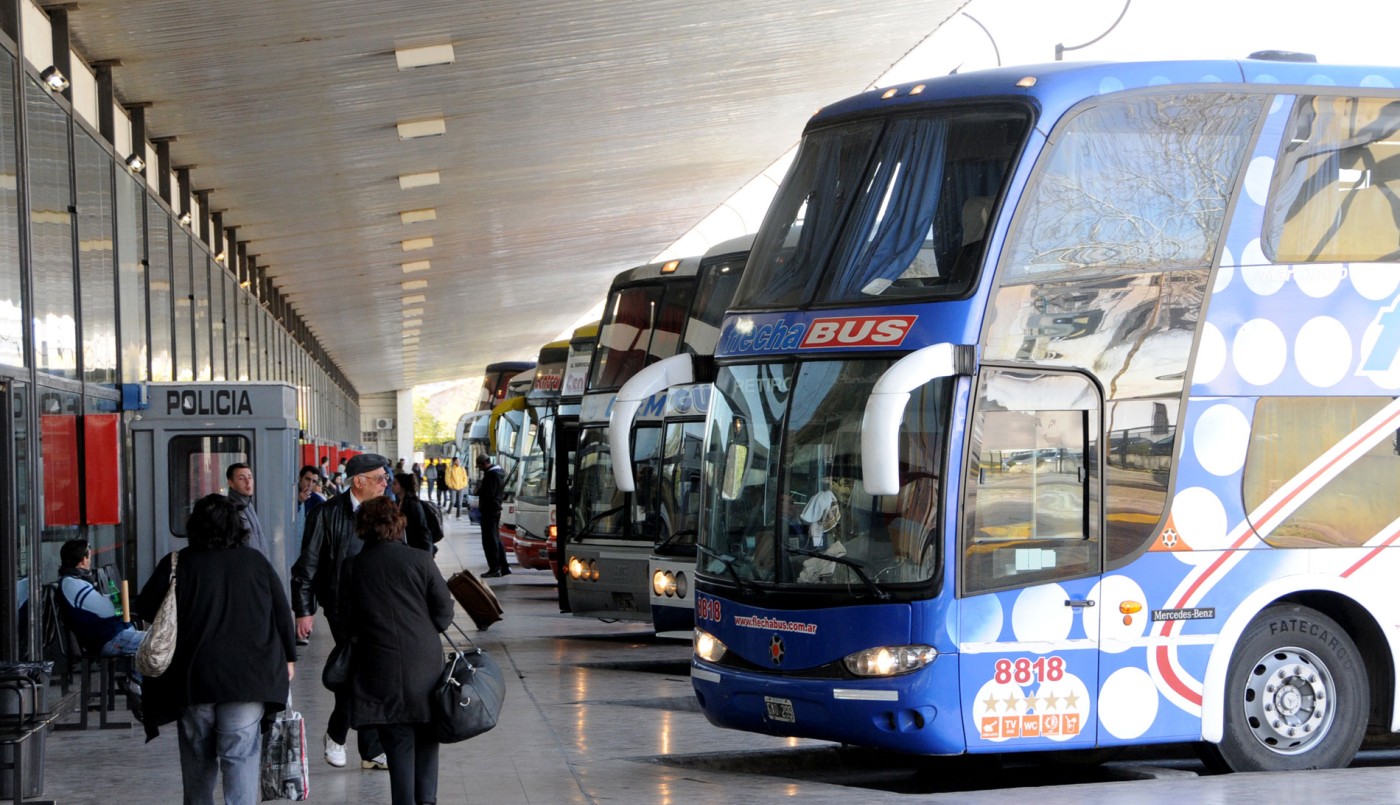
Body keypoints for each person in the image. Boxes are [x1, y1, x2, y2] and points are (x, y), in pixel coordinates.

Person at [135, 494, 297, 805]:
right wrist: (289, 658)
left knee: (198, 756)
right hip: (246, 678)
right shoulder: (255, 562)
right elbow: (281, 613)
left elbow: (145, 607)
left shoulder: (178, 563)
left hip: (194, 677)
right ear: (238, 527)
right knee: (240, 755)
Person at [344, 497, 453, 805]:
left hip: (379, 667)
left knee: (398, 743)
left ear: (363, 528)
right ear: (398, 523)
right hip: (425, 667)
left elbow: (346, 619)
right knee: (428, 741)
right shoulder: (421, 560)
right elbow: (444, 614)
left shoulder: (354, 567)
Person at [290, 452, 390, 770]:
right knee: (362, 669)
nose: (386, 483)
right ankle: (338, 735)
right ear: (358, 482)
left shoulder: (387, 511)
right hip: (342, 606)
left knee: (367, 672)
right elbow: (306, 567)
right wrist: (304, 610)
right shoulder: (325, 514)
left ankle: (368, 749)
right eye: (379, 478)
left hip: (379, 605)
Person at [57, 539, 146, 658]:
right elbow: (109, 610)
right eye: (89, 557)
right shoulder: (72, 584)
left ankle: (140, 676)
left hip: (116, 635)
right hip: (111, 639)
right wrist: (118, 600)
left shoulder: (74, 583)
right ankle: (140, 677)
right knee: (160, 643)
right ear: (83, 560)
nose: (90, 562)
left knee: (162, 640)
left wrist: (113, 601)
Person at [476, 454, 510, 577]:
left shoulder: (491, 476)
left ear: (485, 463)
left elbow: (488, 493)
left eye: (480, 466)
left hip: (489, 510)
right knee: (496, 538)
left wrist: (479, 490)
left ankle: (494, 568)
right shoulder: (498, 473)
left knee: (489, 540)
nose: (479, 469)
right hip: (495, 509)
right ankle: (504, 566)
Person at [225, 463, 269, 559]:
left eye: (250, 477)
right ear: (231, 483)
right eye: (241, 478)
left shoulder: (248, 505)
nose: (247, 482)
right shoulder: (232, 510)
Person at [393, 472, 435, 552]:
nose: (391, 486)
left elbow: (422, 528)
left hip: (417, 547)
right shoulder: (398, 502)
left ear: (402, 487)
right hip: (407, 545)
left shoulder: (413, 504)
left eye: (395, 484)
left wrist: (428, 551)